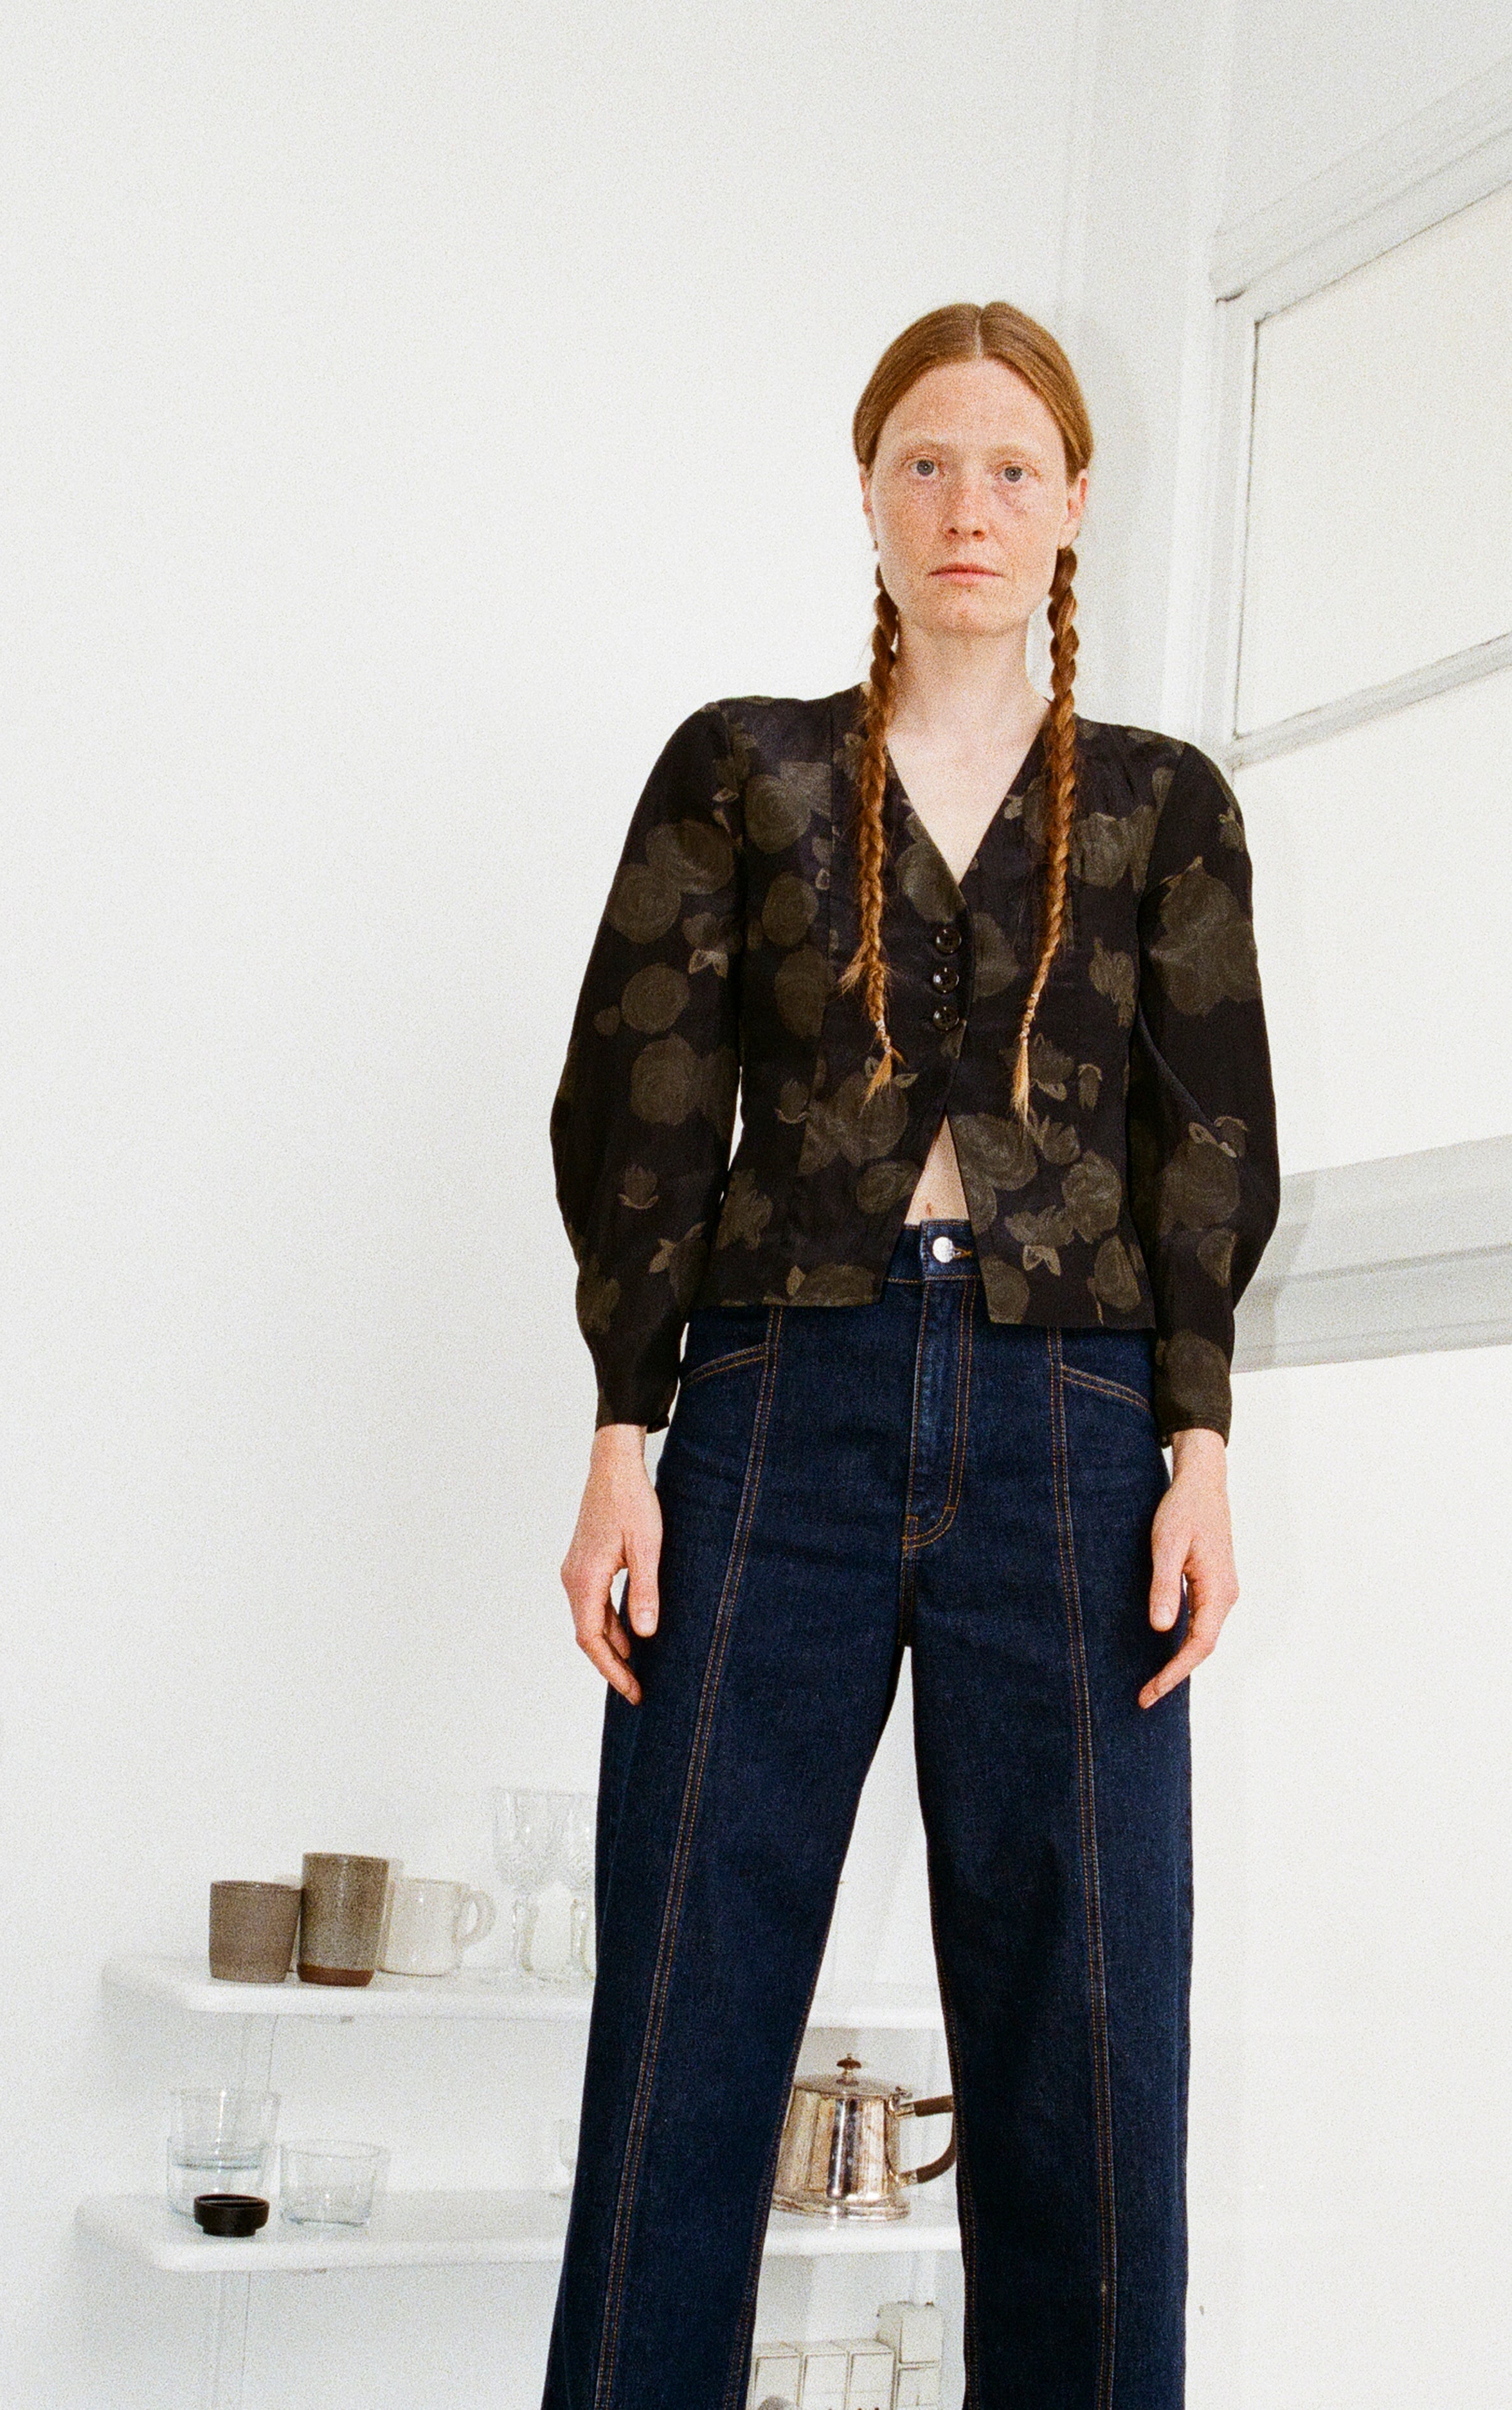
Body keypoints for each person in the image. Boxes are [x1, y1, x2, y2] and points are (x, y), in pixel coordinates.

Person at [541, 301, 1279, 2410]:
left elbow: (1210, 1139)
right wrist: (621, 1430)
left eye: (1012, 468)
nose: (969, 505)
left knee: (1087, 2033)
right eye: (926, 464)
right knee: (683, 2003)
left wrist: (1199, 1447)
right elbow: (643, 1103)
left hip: (1075, 1427)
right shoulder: (743, 770)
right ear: (866, 497)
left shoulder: (1160, 805)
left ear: (1073, 505)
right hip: (773, 1410)